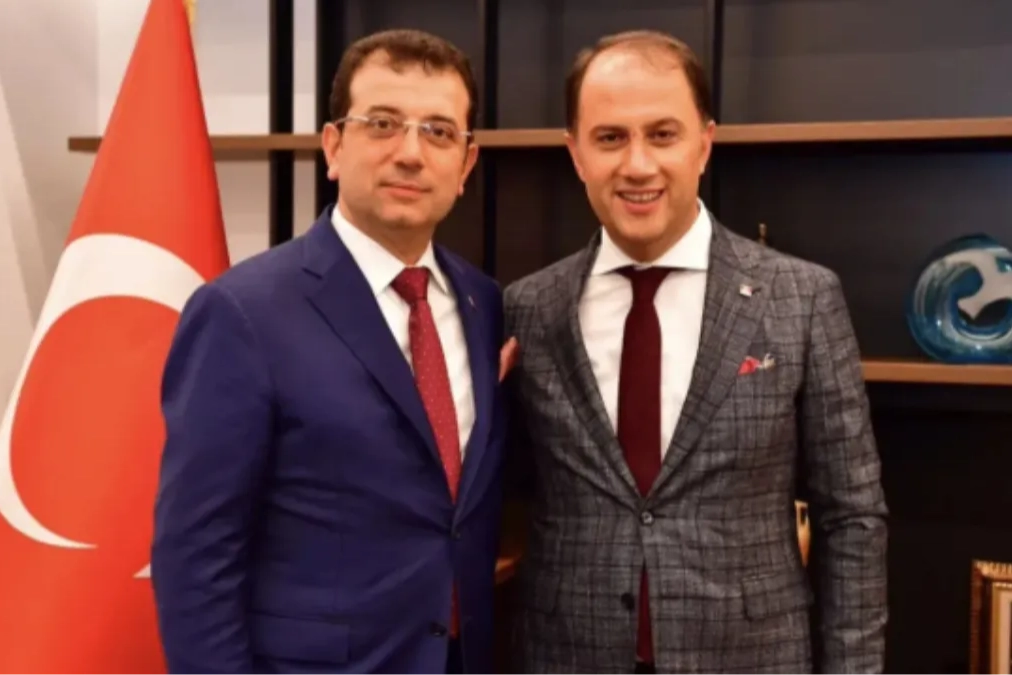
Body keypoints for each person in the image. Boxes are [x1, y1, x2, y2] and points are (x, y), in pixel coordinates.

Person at [503, 30, 888, 675]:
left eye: (663, 134)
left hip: (753, 658)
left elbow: (852, 516)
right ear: (576, 154)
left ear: (704, 144)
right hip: (565, 654)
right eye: (609, 137)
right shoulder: (528, 307)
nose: (638, 165)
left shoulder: (801, 298)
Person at [151, 29, 510, 675]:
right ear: (334, 146)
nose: (410, 153)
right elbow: (197, 555)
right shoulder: (241, 312)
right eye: (383, 124)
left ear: (466, 164)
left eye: (438, 131)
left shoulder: (483, 304)